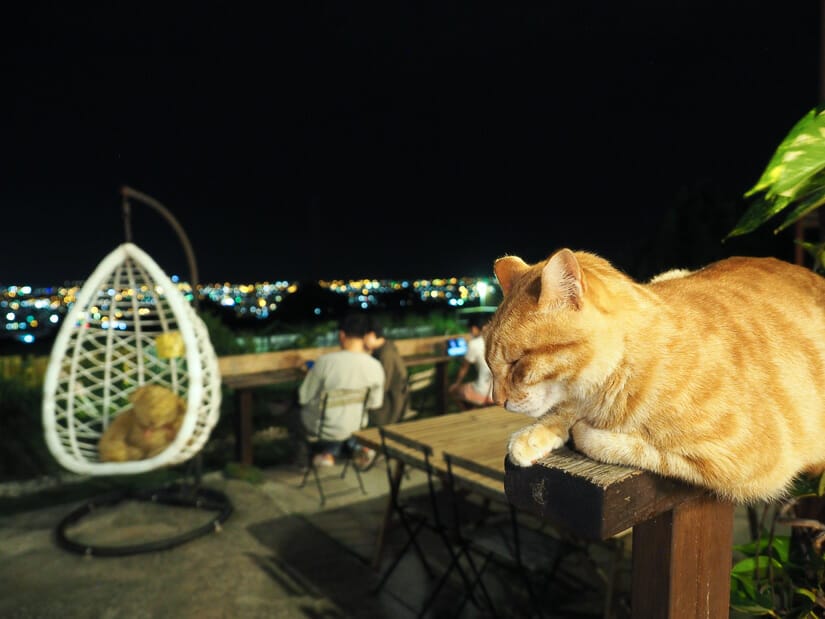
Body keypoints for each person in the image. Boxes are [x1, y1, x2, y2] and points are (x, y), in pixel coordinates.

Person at [295, 313, 384, 468]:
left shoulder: (325, 362)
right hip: (355, 427)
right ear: (365, 336)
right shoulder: (375, 366)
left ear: (341, 335)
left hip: (323, 429)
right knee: (343, 423)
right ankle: (349, 449)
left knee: (293, 414)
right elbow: (375, 404)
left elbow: (303, 397)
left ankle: (305, 462)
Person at [364, 316, 410, 426]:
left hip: (390, 409)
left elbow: (382, 386)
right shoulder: (388, 348)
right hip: (397, 402)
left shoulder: (385, 354)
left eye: (363, 337)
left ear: (371, 335)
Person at [449, 313, 494, 410]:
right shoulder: (496, 340)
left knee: (454, 391)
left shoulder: (474, 343)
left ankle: (469, 414)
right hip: (498, 392)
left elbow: (464, 367)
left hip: (483, 393)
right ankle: (476, 410)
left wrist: (456, 383)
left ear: (474, 328)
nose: (470, 332)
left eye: (470, 329)